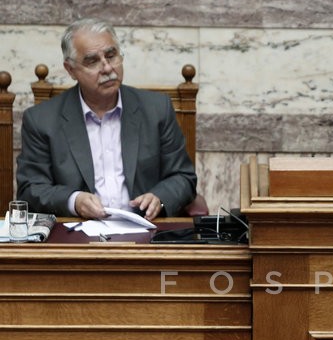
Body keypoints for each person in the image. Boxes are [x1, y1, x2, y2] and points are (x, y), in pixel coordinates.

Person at [16, 18, 197, 220]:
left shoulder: (156, 109)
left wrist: (160, 198)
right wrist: (74, 201)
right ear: (70, 70)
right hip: (78, 232)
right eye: (92, 61)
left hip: (144, 230)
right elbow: (30, 189)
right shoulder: (42, 120)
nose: (107, 68)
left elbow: (183, 177)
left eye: (111, 56)